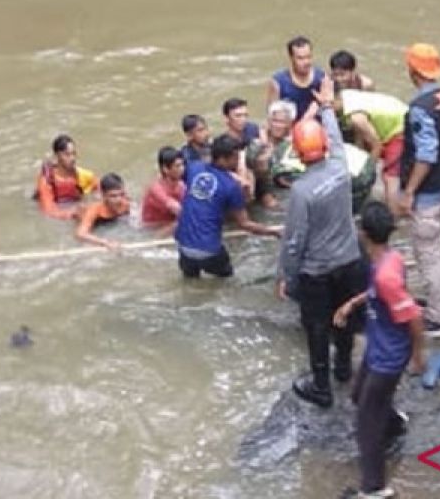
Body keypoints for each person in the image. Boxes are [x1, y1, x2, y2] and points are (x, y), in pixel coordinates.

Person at [277, 76, 368, 408]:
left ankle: (321, 386)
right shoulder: (341, 168)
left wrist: (285, 277)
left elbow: (293, 241)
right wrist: (327, 106)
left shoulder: (301, 191)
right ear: (324, 148)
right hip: (349, 260)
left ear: (299, 154)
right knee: (342, 318)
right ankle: (343, 368)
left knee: (317, 326)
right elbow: (334, 138)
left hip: (317, 272)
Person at [334, 202, 425, 499]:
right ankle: (395, 424)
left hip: (389, 356)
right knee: (360, 395)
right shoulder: (390, 259)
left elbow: (413, 315)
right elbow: (380, 292)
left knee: (365, 426)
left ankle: (375, 488)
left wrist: (417, 356)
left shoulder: (386, 275)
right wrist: (354, 303)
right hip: (378, 347)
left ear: (363, 234)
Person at [392, 43, 440, 339]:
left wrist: (409, 191)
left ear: (413, 71)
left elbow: (426, 155)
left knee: (428, 255)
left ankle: (437, 320)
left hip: (429, 193)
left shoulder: (419, 109)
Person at [174, 134, 282, 278]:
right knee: (228, 281)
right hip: (209, 251)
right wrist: (274, 233)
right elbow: (245, 224)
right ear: (223, 159)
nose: (238, 161)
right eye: (235, 158)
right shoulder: (231, 187)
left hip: (183, 245)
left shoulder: (193, 168)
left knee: (190, 282)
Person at [335, 88, 408, 206]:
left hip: (401, 129)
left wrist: (367, 174)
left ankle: (393, 214)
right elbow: (360, 138)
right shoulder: (346, 95)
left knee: (390, 176)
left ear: (336, 98)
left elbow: (377, 146)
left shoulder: (356, 118)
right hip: (398, 115)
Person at [35, 134, 99, 221]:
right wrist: (74, 213)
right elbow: (48, 212)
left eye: (74, 154)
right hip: (59, 212)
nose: (72, 158)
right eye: (67, 154)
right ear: (57, 156)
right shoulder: (47, 181)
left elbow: (102, 192)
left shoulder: (84, 176)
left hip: (74, 207)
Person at [268, 36, 326, 123]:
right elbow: (271, 117)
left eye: (308, 57)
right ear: (291, 58)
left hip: (317, 130)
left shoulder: (322, 78)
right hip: (290, 132)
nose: (306, 62)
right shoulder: (278, 82)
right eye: (300, 58)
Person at [74, 173, 130, 251]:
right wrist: (105, 242)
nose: (119, 200)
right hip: (83, 216)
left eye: (121, 194)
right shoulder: (95, 210)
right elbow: (80, 234)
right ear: (103, 196)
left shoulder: (126, 204)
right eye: (113, 196)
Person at [141, 146, 186, 234]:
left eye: (182, 164)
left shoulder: (181, 185)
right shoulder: (156, 188)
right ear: (165, 169)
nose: (182, 168)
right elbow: (174, 207)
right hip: (149, 230)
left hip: (169, 224)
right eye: (177, 166)